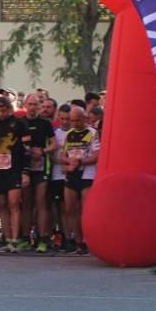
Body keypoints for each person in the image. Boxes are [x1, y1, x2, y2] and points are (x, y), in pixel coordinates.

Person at [0, 96, 32, 253]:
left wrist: (25, 172)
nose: (2, 113)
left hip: (15, 170)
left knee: (14, 204)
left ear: (10, 109)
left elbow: (27, 151)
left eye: (5, 110)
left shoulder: (19, 124)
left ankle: (15, 239)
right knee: (2, 206)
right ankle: (8, 239)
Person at [20, 93, 56, 252]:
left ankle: (43, 238)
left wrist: (43, 151)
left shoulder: (45, 123)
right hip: (24, 168)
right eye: (30, 104)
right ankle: (26, 237)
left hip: (41, 168)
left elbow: (54, 144)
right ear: (25, 105)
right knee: (26, 204)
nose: (33, 107)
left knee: (41, 203)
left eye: (36, 104)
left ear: (39, 107)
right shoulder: (20, 123)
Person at [60, 106, 98, 255]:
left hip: (87, 174)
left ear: (84, 118)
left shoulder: (93, 133)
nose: (74, 123)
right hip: (71, 175)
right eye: (72, 120)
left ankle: (90, 240)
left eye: (77, 120)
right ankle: (78, 241)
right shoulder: (69, 134)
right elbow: (62, 155)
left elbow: (97, 155)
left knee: (86, 209)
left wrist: (80, 161)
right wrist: (69, 161)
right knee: (70, 209)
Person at [49, 104, 72, 247]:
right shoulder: (55, 134)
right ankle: (63, 235)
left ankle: (73, 236)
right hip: (57, 175)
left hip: (72, 175)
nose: (64, 121)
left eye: (67, 119)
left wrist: (70, 165)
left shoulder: (76, 132)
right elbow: (51, 157)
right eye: (62, 118)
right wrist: (61, 162)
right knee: (59, 208)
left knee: (70, 208)